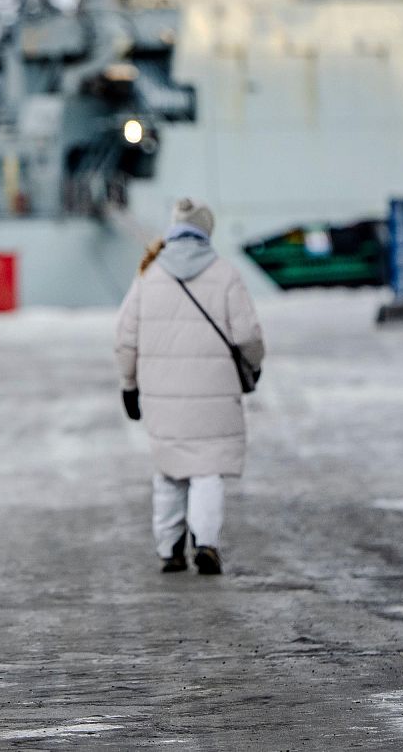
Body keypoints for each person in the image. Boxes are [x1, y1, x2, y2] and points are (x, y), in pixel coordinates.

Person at [115, 198, 265, 574]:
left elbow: (126, 339)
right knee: (207, 470)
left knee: (169, 469)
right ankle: (207, 543)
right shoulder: (226, 274)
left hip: (161, 395)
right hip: (215, 395)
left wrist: (128, 385)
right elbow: (248, 334)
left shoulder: (148, 276)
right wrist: (255, 365)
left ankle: (169, 549)